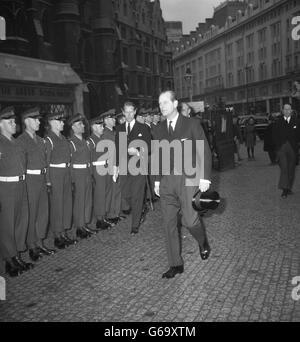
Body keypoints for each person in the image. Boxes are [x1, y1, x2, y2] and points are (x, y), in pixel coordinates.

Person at [152, 90, 212, 279]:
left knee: (190, 220)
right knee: (168, 223)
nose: (162, 106)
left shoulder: (192, 124)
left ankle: (202, 242)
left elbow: (204, 150)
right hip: (167, 181)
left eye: (165, 102)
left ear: (175, 103)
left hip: (189, 178)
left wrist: (204, 177)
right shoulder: (158, 128)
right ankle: (175, 264)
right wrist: (155, 179)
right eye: (160, 103)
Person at [17, 107, 55, 263]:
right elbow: (21, 165)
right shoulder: (21, 141)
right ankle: (32, 246)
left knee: (42, 213)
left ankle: (40, 243)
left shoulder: (41, 140)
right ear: (27, 121)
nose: (39, 121)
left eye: (39, 119)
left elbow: (45, 163)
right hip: (30, 181)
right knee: (32, 214)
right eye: (36, 119)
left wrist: (47, 180)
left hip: (40, 179)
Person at [0, 106, 31, 277]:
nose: (14, 124)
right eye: (10, 122)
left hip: (21, 185)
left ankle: (17, 255)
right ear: (0, 124)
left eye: (14, 121)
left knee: (20, 221)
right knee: (7, 225)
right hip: (6, 188)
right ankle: (9, 260)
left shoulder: (17, 142)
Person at [115, 101, 151, 234]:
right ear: (123, 112)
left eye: (131, 111)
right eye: (126, 111)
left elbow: (149, 147)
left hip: (138, 166)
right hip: (124, 167)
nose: (129, 114)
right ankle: (140, 208)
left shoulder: (143, 128)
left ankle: (135, 224)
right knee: (126, 194)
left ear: (135, 111)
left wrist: (136, 151)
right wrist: (116, 167)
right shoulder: (119, 129)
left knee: (137, 194)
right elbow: (118, 149)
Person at [45, 111, 76, 249]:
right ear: (52, 123)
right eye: (60, 121)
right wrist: (48, 181)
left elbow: (68, 159)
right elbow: (46, 162)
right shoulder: (49, 140)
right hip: (55, 174)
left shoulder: (63, 138)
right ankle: (57, 235)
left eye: (63, 121)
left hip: (65, 174)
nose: (63, 123)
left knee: (66, 203)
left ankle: (63, 233)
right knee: (57, 206)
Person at [68, 113, 96, 239]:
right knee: (80, 201)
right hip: (78, 175)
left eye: (82, 123)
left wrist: (91, 174)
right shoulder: (71, 143)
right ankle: (79, 226)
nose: (83, 125)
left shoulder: (85, 142)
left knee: (87, 199)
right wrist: (72, 180)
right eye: (79, 124)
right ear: (73, 127)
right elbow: (69, 163)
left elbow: (89, 159)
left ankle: (84, 224)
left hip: (86, 173)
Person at [87, 115, 112, 230]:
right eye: (100, 125)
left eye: (102, 125)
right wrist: (91, 174)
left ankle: (104, 216)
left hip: (105, 168)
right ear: (93, 127)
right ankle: (99, 218)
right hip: (97, 170)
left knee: (106, 192)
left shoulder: (102, 139)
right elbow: (89, 158)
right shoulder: (90, 141)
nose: (102, 127)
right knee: (99, 195)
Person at [272, 104, 300, 198]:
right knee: (284, 168)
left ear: (291, 111)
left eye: (289, 109)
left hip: (293, 148)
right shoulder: (278, 122)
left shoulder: (297, 121)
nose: (287, 111)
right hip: (282, 148)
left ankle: (288, 188)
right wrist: (278, 148)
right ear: (282, 111)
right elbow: (274, 136)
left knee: (291, 169)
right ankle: (284, 190)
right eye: (285, 109)